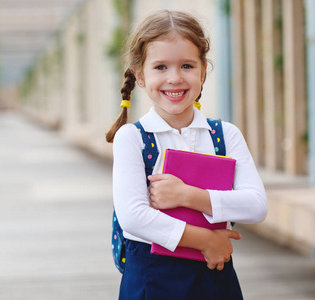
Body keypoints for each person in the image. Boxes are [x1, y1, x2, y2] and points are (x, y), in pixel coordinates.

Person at [106, 10, 267, 300]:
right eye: (161, 67)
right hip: (151, 281)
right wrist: (206, 240)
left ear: (203, 70)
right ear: (140, 75)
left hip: (215, 277)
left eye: (187, 66)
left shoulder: (225, 135)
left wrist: (186, 195)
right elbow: (134, 217)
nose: (175, 78)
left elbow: (256, 205)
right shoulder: (132, 138)